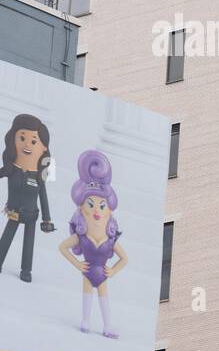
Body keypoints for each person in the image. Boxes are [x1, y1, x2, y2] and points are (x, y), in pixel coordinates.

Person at [58, 150, 128, 339]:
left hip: (102, 273)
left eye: (102, 206)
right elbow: (62, 247)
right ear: (81, 209)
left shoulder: (111, 240)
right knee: (87, 295)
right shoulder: (81, 237)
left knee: (104, 298)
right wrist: (78, 264)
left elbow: (125, 258)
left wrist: (112, 271)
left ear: (109, 212)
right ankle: (86, 321)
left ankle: (107, 325)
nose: (97, 210)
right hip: (88, 272)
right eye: (91, 205)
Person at [0, 113, 56, 282]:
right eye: (22, 138)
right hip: (14, 212)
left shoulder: (40, 176)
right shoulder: (11, 169)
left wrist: (47, 219)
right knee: (6, 237)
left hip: (32, 215)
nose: (27, 145)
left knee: (29, 243)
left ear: (44, 148)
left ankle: (26, 270)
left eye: (33, 141)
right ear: (13, 140)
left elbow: (44, 197)